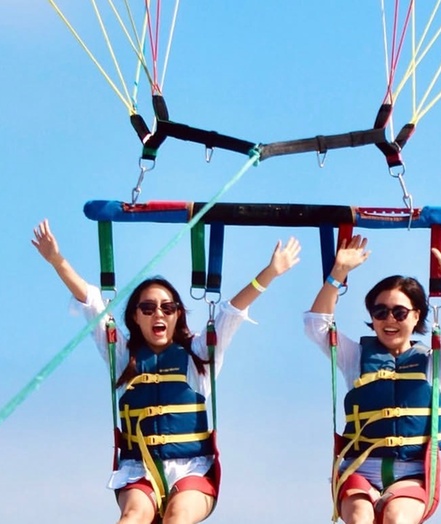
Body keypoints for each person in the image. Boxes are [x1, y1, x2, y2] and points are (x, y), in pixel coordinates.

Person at [32, 219, 301, 524]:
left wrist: (270, 272)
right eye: (148, 308)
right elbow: (92, 303)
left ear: (177, 314)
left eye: (167, 307)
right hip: (138, 469)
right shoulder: (122, 358)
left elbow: (230, 313)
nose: (157, 313)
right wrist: (57, 260)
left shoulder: (198, 356)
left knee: (178, 516)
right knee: (133, 516)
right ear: (135, 317)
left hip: (193, 469)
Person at [304, 228, 441, 524]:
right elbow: (316, 326)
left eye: (399, 312)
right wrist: (337, 275)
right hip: (360, 467)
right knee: (360, 517)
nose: (389, 320)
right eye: (380, 311)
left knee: (396, 518)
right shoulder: (356, 358)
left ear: (417, 315)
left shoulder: (434, 362)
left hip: (413, 473)